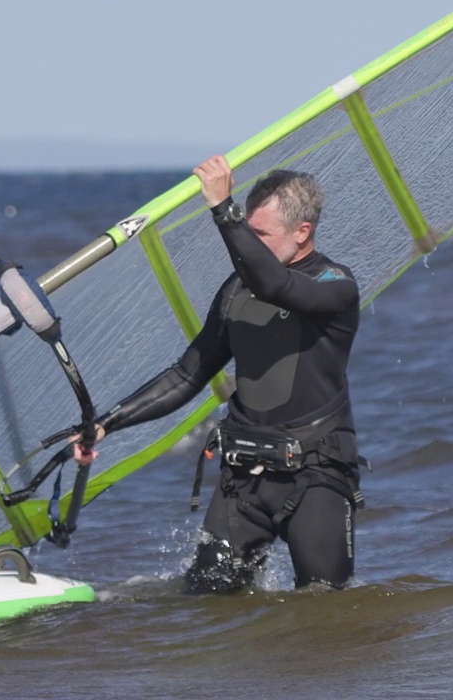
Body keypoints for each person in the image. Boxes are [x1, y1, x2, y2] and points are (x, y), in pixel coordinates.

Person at [73, 155, 364, 592]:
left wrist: (224, 212)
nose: (248, 245)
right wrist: (105, 424)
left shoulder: (334, 284)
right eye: (248, 231)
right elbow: (187, 374)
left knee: (326, 611)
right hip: (244, 476)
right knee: (206, 603)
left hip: (314, 474)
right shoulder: (236, 290)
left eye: (259, 235)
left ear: (302, 233)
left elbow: (278, 287)